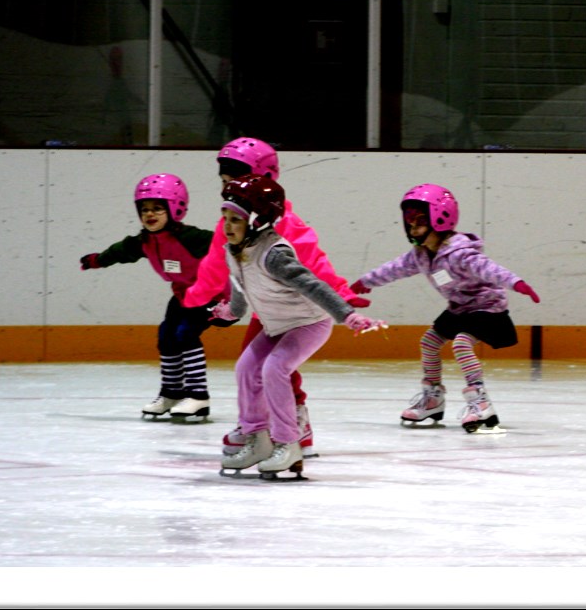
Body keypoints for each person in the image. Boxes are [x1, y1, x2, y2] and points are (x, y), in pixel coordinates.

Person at [181, 137, 369, 458]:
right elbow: (223, 268)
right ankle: (255, 429)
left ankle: (294, 427)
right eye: (225, 180)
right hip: (265, 308)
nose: (228, 185)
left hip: (299, 312)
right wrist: (204, 300)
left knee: (278, 369)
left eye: (236, 177)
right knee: (250, 366)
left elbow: (314, 271)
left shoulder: (286, 227)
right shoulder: (232, 225)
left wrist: (344, 298)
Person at [211, 175, 379, 479]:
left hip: (309, 323)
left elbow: (313, 285)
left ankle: (288, 443)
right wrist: (229, 312)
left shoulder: (274, 254)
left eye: (235, 219)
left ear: (257, 220)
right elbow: (239, 292)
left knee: (274, 368)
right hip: (277, 325)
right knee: (246, 368)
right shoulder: (234, 251)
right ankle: (258, 439)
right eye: (224, 217)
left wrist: (347, 315)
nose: (227, 225)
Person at [350, 184, 540, 434]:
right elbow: (393, 268)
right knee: (429, 342)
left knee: (461, 344)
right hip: (460, 308)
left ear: (440, 220)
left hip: (487, 308)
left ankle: (480, 402)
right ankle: (432, 399)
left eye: (419, 220)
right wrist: (365, 282)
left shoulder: (460, 254)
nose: (412, 227)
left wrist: (517, 283)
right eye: (409, 221)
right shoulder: (421, 254)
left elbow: (490, 270)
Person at [80, 173, 226, 422]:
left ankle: (198, 396)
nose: (150, 214)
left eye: (158, 208)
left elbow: (225, 245)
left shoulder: (191, 237)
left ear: (175, 209)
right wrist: (96, 260)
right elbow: (121, 251)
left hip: (213, 295)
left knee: (185, 334)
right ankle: (171, 393)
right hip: (182, 295)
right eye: (145, 209)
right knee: (167, 336)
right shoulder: (145, 241)